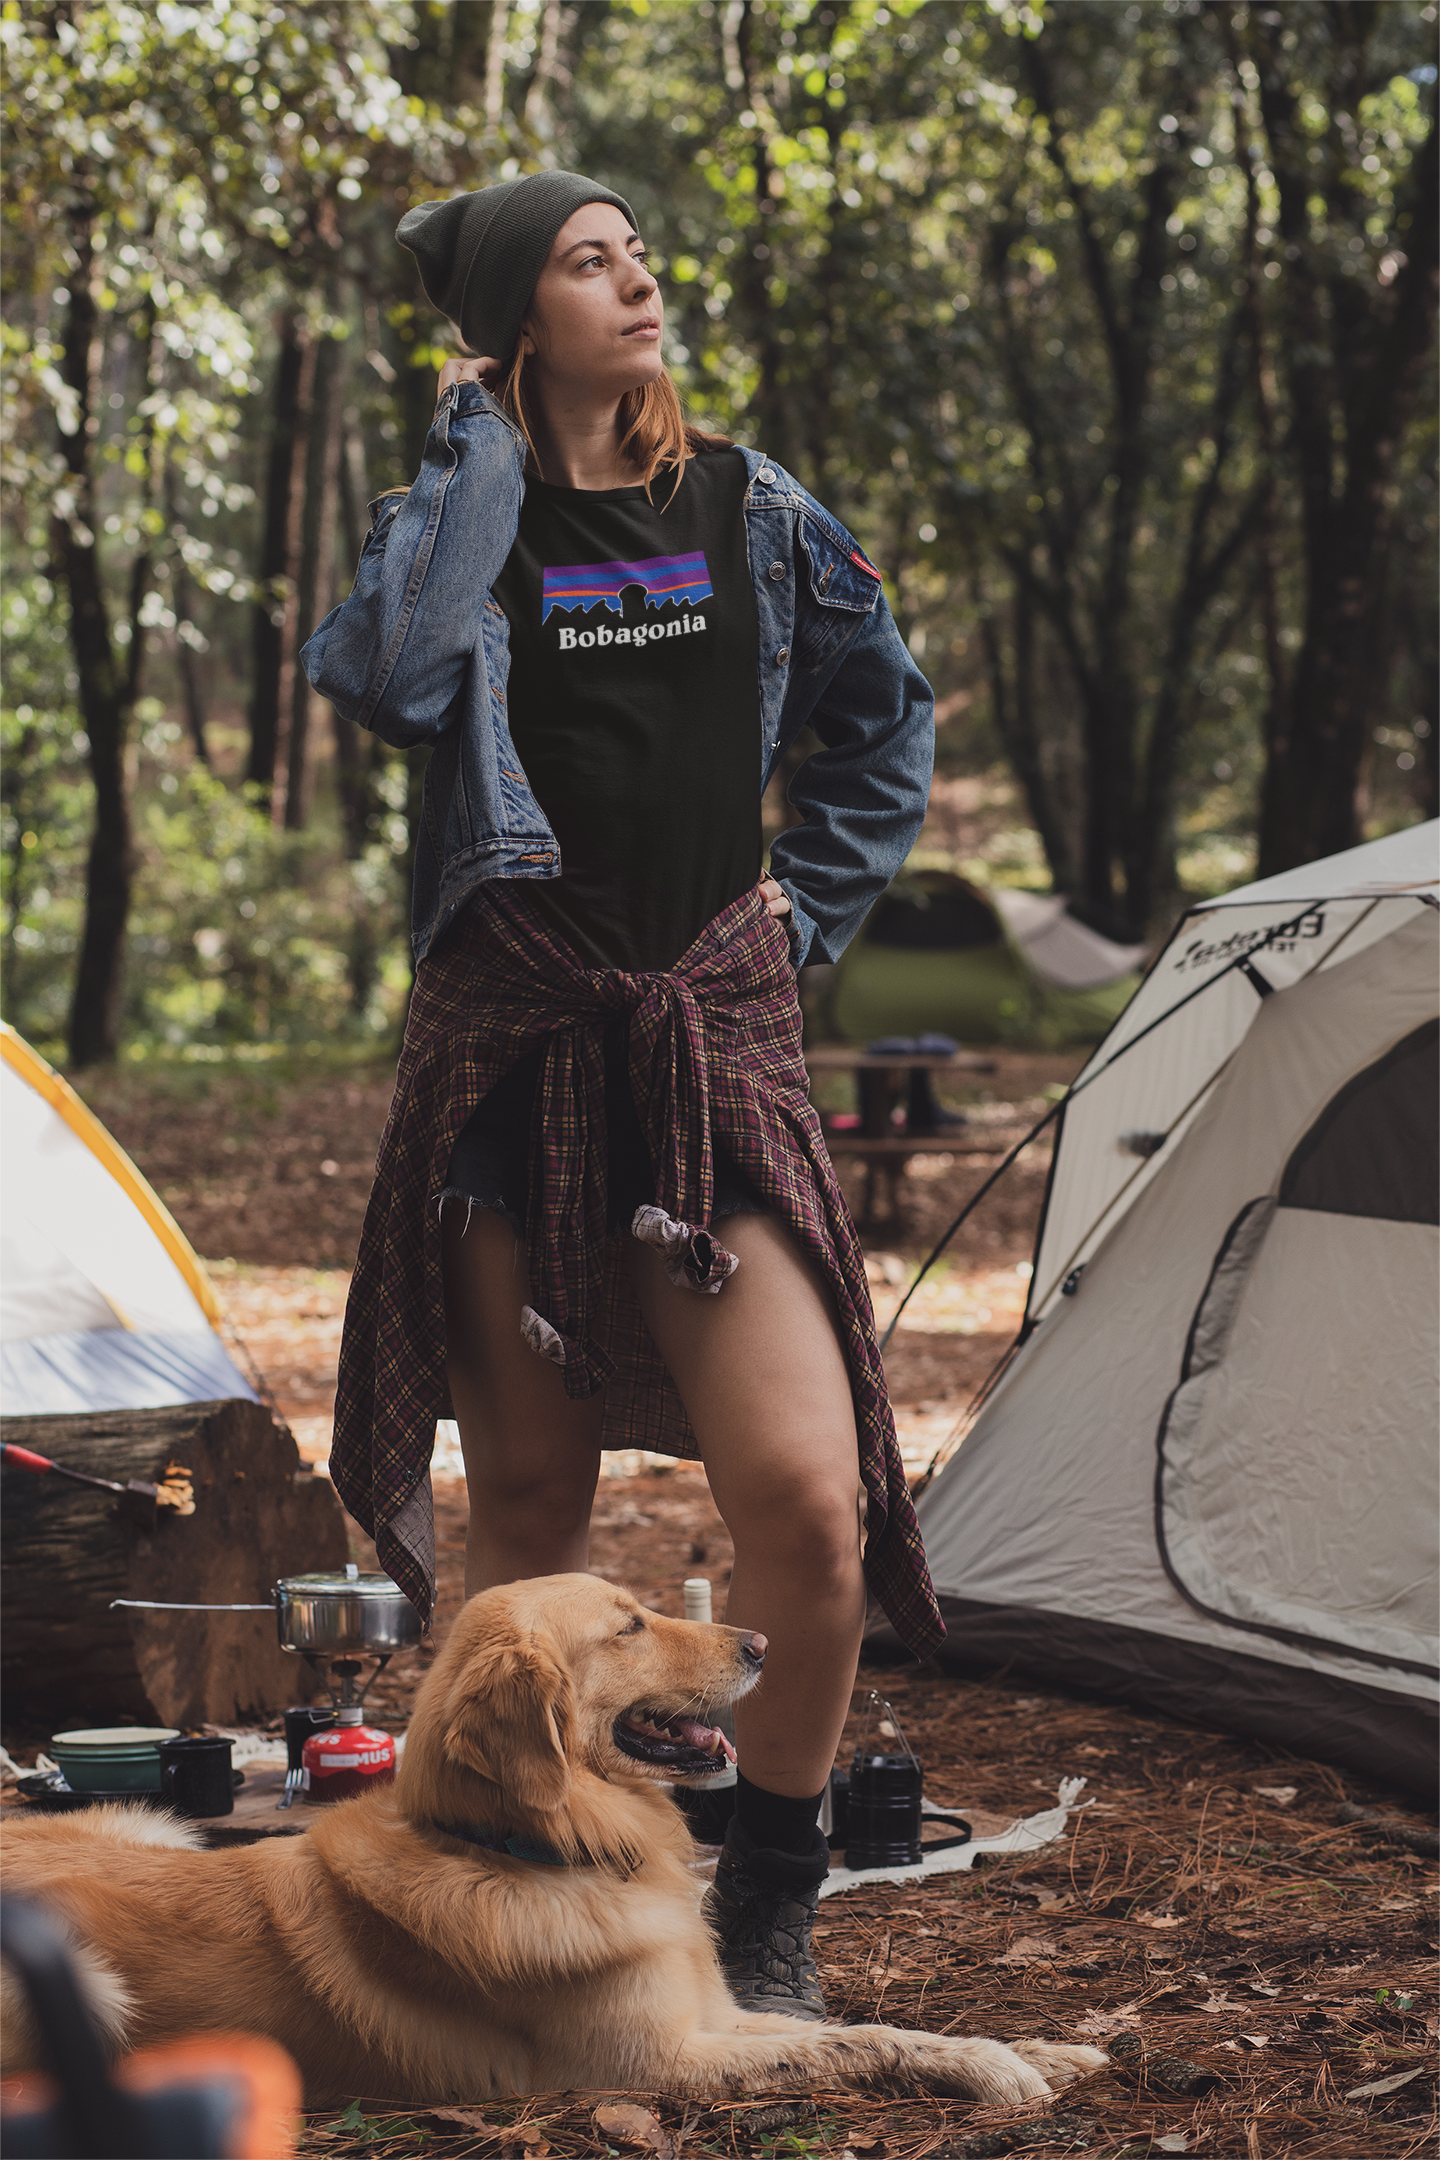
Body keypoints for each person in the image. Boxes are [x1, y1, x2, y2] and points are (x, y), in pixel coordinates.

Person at [302, 169, 942, 2019]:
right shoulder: (450, 528)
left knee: (810, 1514)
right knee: (524, 1502)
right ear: (518, 320)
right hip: (516, 1039)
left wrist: (806, 906)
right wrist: (485, 446)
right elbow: (401, 679)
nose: (639, 278)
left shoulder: (746, 504)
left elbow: (879, 712)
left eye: (638, 251)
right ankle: (527, 1898)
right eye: (590, 262)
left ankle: (768, 1897)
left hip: (707, 1034)